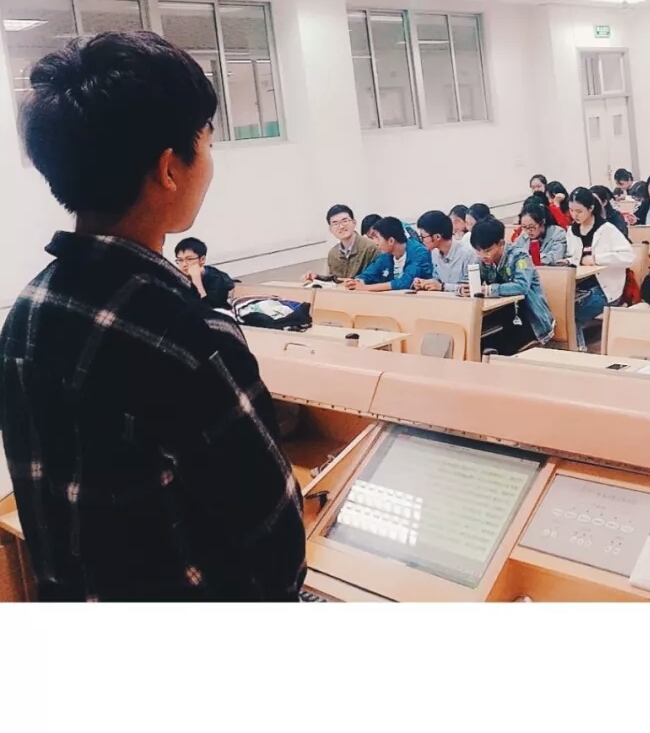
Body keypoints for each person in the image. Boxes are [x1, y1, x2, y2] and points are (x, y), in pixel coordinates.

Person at [0, 32, 305, 601]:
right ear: (169, 169)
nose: (209, 163)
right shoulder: (189, 335)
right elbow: (276, 549)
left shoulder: (27, 313)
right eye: (206, 144)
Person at [564, 187, 635, 348]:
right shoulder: (572, 231)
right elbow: (575, 257)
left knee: (570, 313)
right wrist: (568, 261)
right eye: (571, 211)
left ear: (591, 208)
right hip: (581, 285)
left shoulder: (607, 229)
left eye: (579, 211)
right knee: (560, 307)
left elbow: (629, 257)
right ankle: (575, 348)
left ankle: (579, 350)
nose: (574, 215)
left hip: (606, 288)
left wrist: (597, 259)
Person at [470, 217, 555, 349]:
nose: (482, 255)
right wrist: (466, 288)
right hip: (502, 316)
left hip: (530, 319)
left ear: (501, 243)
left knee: (500, 348)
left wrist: (488, 290)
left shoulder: (520, 256)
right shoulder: (482, 260)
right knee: (477, 342)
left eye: (488, 250)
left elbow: (521, 286)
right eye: (477, 250)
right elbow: (474, 284)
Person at [347, 216, 433, 291]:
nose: (375, 242)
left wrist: (366, 288)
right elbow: (370, 273)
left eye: (377, 238)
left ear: (391, 241)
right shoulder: (386, 255)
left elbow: (405, 282)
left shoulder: (419, 252)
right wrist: (358, 281)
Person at [306, 204, 378, 283]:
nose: (341, 226)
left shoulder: (371, 247)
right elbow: (335, 280)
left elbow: (378, 278)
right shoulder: (333, 253)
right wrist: (317, 277)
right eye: (335, 223)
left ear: (354, 223)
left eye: (345, 221)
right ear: (330, 229)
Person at [412, 210, 477, 292]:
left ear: (437, 237)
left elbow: (470, 288)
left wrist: (443, 287)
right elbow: (437, 281)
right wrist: (425, 283)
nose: (422, 241)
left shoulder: (467, 254)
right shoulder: (435, 253)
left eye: (423, 237)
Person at [174, 237, 235, 310]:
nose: (184, 264)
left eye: (189, 259)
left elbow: (209, 309)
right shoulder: (180, 277)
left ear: (202, 259)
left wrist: (197, 281)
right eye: (180, 260)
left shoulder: (216, 279)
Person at [516, 198, 567, 266]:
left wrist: (531, 259)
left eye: (532, 227)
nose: (528, 231)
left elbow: (555, 257)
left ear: (542, 222)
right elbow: (514, 253)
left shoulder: (558, 233)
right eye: (524, 227)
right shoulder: (523, 234)